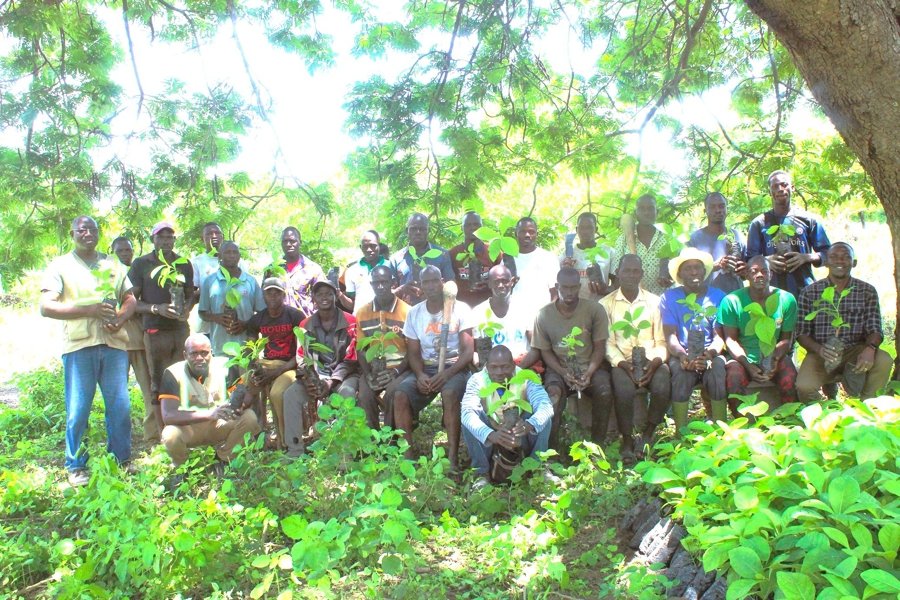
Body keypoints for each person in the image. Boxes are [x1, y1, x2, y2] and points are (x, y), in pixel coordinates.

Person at [40, 216, 135, 486]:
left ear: (99, 233)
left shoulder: (112, 264)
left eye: (92, 229)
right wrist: (90, 310)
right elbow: (46, 306)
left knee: (120, 406)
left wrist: (121, 317)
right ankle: (76, 465)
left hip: (114, 344)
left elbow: (129, 298)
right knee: (78, 408)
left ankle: (120, 461)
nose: (87, 233)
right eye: (81, 229)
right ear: (72, 233)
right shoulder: (60, 266)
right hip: (80, 345)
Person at [393, 266, 474, 470]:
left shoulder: (461, 309)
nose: (430, 286)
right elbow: (413, 352)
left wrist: (447, 374)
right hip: (426, 368)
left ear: (442, 282)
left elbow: (468, 351)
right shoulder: (415, 313)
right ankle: (408, 457)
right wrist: (420, 375)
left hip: (454, 367)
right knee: (400, 395)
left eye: (434, 281)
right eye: (425, 282)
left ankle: (452, 457)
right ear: (420, 286)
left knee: (449, 393)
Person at [796, 243, 891, 400]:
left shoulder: (867, 291)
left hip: (856, 351)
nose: (839, 261)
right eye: (833, 257)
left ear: (854, 263)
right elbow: (801, 333)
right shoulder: (810, 292)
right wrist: (819, 350)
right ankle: (827, 414)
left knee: (884, 360)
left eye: (846, 257)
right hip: (821, 352)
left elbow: (874, 328)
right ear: (826, 262)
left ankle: (867, 406)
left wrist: (871, 348)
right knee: (804, 386)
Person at [127, 221, 195, 438]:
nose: (166, 241)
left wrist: (186, 308)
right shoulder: (141, 264)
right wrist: (156, 308)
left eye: (170, 237)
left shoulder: (183, 263)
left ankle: (183, 430)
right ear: (152, 240)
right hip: (155, 332)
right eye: (161, 237)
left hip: (180, 330)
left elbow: (191, 292)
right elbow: (130, 301)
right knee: (158, 379)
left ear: (174, 240)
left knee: (184, 377)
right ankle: (162, 432)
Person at [532, 267, 612, 449]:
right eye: (565, 288)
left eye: (574, 287)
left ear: (579, 286)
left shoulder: (594, 310)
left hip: (590, 367)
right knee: (552, 396)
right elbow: (545, 351)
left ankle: (597, 446)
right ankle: (551, 452)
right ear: (557, 286)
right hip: (558, 368)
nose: (569, 292)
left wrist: (589, 373)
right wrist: (563, 372)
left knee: (605, 391)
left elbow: (600, 347)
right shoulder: (544, 314)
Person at [158, 335, 261, 475]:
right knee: (170, 433)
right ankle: (182, 470)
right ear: (184, 355)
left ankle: (224, 459)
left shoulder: (225, 366)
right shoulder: (173, 373)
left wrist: (249, 393)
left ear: (211, 353)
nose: (199, 358)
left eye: (204, 353)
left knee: (249, 417)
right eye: (193, 353)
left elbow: (242, 398)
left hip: (218, 424)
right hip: (189, 428)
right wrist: (210, 414)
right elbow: (168, 416)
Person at [600, 255, 669, 462]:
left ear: (642, 274)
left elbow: (661, 341)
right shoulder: (606, 304)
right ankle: (627, 439)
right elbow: (608, 343)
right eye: (626, 271)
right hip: (622, 361)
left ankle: (649, 432)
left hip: (651, 360)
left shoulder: (655, 302)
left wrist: (655, 363)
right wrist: (622, 364)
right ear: (618, 273)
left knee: (663, 383)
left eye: (635, 271)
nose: (631, 275)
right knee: (623, 389)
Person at [282, 280, 359, 457]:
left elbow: (351, 358)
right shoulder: (305, 325)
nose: (324, 297)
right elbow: (301, 356)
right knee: (290, 395)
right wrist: (310, 379)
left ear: (335, 296)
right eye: (319, 294)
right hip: (316, 376)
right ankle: (294, 451)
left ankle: (345, 453)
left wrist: (331, 382)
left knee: (346, 394)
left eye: (328, 293)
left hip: (344, 375)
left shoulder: (350, 321)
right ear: (314, 299)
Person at [461, 345, 553, 489]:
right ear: (487, 366)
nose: (499, 372)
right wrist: (490, 434)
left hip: (521, 435)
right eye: (494, 367)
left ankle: (538, 468)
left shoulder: (526, 377)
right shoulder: (477, 380)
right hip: (492, 440)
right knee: (470, 417)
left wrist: (530, 425)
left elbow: (545, 405)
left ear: (513, 365)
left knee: (542, 415)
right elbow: (467, 413)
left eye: (505, 367)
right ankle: (481, 474)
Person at [659, 248, 727, 430]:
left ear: (705, 271)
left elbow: (720, 336)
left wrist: (709, 355)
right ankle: (681, 433)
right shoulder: (670, 298)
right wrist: (682, 356)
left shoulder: (718, 296)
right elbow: (670, 336)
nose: (694, 272)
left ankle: (721, 429)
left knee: (718, 371)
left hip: (710, 353)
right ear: (680, 273)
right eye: (688, 268)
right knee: (679, 375)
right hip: (682, 354)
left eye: (697, 267)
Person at [717, 256, 798, 409]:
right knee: (733, 381)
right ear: (746, 275)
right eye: (753, 272)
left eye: (764, 271)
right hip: (743, 357)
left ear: (771, 275)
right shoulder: (732, 300)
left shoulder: (786, 299)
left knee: (790, 379)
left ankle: (788, 420)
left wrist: (774, 360)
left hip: (774, 355)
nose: (759, 275)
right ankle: (743, 425)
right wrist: (748, 365)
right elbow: (730, 340)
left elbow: (786, 339)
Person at [242, 277, 305, 447]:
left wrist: (275, 372)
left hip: (289, 366)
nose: (273, 296)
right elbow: (250, 348)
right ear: (263, 295)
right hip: (267, 365)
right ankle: (254, 437)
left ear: (284, 295)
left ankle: (285, 440)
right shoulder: (258, 320)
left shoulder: (295, 316)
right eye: (269, 293)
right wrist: (255, 368)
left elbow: (303, 352)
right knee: (244, 387)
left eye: (277, 293)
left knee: (277, 394)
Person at [746, 170, 830, 297]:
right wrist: (766, 260)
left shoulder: (809, 220)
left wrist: (806, 257)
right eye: (775, 186)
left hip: (806, 293)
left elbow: (828, 255)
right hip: (770, 294)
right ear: (770, 191)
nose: (780, 189)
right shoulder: (759, 223)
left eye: (784, 184)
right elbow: (749, 260)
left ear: (793, 188)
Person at [110, 236, 157, 442]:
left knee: (148, 388)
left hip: (138, 340)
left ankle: (152, 433)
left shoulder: (138, 274)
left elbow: (143, 304)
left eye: (128, 250)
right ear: (112, 253)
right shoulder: (108, 276)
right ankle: (119, 436)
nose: (125, 254)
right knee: (116, 392)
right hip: (115, 342)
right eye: (120, 251)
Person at [355, 265, 411, 430]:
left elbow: (413, 351)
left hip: (400, 368)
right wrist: (368, 374)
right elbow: (361, 349)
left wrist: (395, 372)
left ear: (392, 283)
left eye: (384, 282)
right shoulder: (362, 312)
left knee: (393, 392)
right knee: (364, 395)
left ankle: (391, 441)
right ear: (371, 284)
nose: (380, 286)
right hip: (374, 368)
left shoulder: (407, 311)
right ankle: (371, 443)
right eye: (376, 283)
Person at [198, 241, 264, 355]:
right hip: (220, 346)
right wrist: (216, 317)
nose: (232, 255)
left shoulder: (250, 281)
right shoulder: (210, 281)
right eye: (227, 252)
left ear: (239, 256)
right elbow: (202, 312)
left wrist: (246, 324)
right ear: (220, 256)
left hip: (246, 346)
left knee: (246, 372)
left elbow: (262, 312)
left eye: (235, 252)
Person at [472, 264, 535, 366]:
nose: (501, 285)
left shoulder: (525, 308)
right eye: (496, 281)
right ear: (489, 283)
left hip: (522, 366)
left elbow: (535, 348)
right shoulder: (478, 312)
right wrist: (483, 368)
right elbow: (474, 351)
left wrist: (517, 370)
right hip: (492, 370)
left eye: (505, 281)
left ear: (512, 282)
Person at [389, 213, 454, 305]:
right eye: (413, 229)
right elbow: (387, 294)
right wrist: (402, 289)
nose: (418, 232)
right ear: (407, 231)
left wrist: (437, 286)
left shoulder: (442, 255)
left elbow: (451, 286)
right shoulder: (396, 259)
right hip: (405, 314)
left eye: (422, 229)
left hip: (435, 312)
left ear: (428, 230)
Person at [613, 194, 673, 295]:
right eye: (641, 209)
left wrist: (667, 277)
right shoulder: (622, 240)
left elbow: (676, 271)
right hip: (633, 300)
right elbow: (617, 274)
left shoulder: (667, 239)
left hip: (662, 299)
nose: (646, 212)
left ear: (657, 212)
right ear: (635, 213)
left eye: (650, 208)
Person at [687, 192, 747, 293]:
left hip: (735, 299)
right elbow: (688, 274)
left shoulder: (738, 236)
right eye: (712, 207)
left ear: (727, 209)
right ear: (705, 210)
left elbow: (748, 272)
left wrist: (743, 270)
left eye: (721, 206)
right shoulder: (694, 240)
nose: (718, 210)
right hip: (705, 301)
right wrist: (713, 266)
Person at [509, 217, 559, 317]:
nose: (527, 235)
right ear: (516, 234)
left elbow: (555, 292)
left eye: (531, 232)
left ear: (536, 234)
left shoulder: (549, 258)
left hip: (542, 319)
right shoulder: (507, 260)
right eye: (523, 231)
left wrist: (551, 318)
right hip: (515, 319)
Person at [560, 212, 615, 300]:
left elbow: (617, 283)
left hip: (600, 306)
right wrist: (565, 270)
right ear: (577, 229)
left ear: (596, 229)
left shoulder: (609, 252)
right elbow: (560, 284)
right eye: (582, 228)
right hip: (575, 308)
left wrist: (605, 290)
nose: (585, 231)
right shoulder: (567, 254)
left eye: (589, 227)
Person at [450, 211, 499, 307]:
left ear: (482, 227)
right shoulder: (452, 254)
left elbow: (503, 279)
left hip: (488, 308)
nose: (472, 228)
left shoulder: (494, 251)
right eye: (468, 225)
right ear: (462, 228)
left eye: (476, 224)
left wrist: (490, 283)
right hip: (462, 309)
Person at [276, 226, 325, 316]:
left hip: (305, 324)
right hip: (280, 325)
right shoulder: (273, 269)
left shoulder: (313, 269)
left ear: (300, 243)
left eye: (292, 241)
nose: (288, 244)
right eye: (285, 241)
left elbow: (323, 298)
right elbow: (265, 299)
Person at [189, 222, 225, 335]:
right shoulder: (197, 262)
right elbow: (191, 294)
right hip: (207, 325)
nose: (214, 236)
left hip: (231, 324)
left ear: (222, 237)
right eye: (209, 234)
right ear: (202, 238)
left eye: (217, 233)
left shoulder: (237, 261)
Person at [338, 230, 387, 312]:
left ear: (379, 246)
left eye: (373, 246)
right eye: (365, 246)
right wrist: (339, 294)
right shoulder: (352, 270)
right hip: (360, 320)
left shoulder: (391, 266)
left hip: (386, 319)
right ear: (361, 247)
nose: (369, 249)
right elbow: (352, 305)